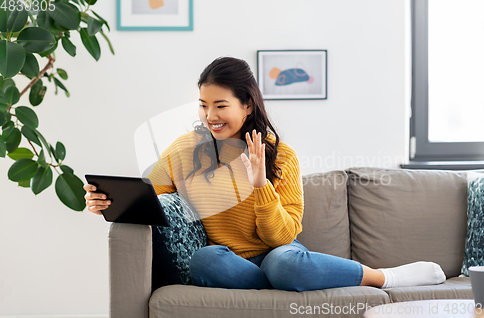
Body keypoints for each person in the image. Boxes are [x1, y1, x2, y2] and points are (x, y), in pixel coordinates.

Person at [83, 56, 446, 291]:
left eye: (221, 105)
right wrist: (110, 203)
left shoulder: (281, 156)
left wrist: (260, 186)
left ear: (247, 105)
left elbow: (283, 235)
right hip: (227, 262)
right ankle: (278, 286)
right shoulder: (184, 150)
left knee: (285, 264)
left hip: (277, 253)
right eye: (203, 105)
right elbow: (155, 201)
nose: (210, 116)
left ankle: (384, 278)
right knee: (204, 259)